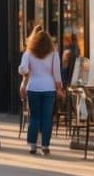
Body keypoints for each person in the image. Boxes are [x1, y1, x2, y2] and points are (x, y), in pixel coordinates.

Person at [19, 27, 63, 155]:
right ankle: (45, 145)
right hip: (49, 88)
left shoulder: (28, 53)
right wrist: (59, 88)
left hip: (33, 87)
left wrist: (27, 74)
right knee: (47, 117)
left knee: (34, 117)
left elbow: (22, 68)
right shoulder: (54, 54)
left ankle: (32, 145)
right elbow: (57, 73)